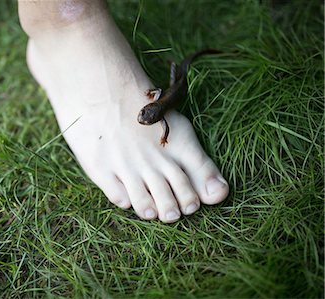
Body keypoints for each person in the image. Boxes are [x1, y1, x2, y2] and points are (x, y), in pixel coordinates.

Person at [18, 0, 229, 223]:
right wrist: (158, 119)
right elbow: (160, 103)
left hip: (176, 89)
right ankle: (59, 28)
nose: (143, 117)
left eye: (147, 117)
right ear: (150, 108)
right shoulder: (159, 109)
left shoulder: (160, 114)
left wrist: (162, 134)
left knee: (178, 79)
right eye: (145, 113)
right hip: (170, 91)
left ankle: (68, 27)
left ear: (156, 114)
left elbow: (161, 113)